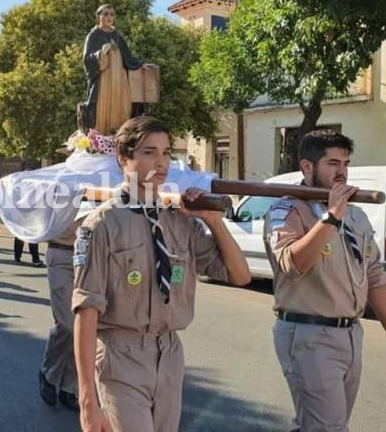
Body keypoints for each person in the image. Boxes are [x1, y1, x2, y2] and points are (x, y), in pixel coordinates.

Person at [73, 117, 251, 432]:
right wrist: (87, 401)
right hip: (120, 357)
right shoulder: (101, 226)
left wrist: (213, 220)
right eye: (149, 153)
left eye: (167, 153)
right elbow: (86, 313)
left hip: (169, 355)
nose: (161, 162)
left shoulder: (179, 220)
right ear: (123, 158)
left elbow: (240, 275)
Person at [263, 130, 386, 432]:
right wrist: (330, 217)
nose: (342, 171)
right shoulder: (288, 210)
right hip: (309, 334)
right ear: (307, 167)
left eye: (345, 163)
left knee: (324, 424)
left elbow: (374, 277)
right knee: (327, 427)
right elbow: (292, 263)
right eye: (332, 163)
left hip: (350, 334)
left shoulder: (356, 216)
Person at [38, 219, 83, 411]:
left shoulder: (98, 189)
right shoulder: (59, 189)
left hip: (90, 256)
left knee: (84, 325)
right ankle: (48, 373)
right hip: (61, 252)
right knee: (67, 324)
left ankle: (69, 386)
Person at [81, 4, 144, 135]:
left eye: (111, 14)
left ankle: (120, 136)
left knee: (124, 107)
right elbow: (87, 60)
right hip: (104, 81)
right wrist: (100, 53)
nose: (109, 17)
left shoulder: (117, 36)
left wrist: (141, 65)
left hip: (120, 80)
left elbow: (128, 57)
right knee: (102, 109)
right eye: (105, 14)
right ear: (99, 17)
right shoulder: (93, 36)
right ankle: (100, 138)